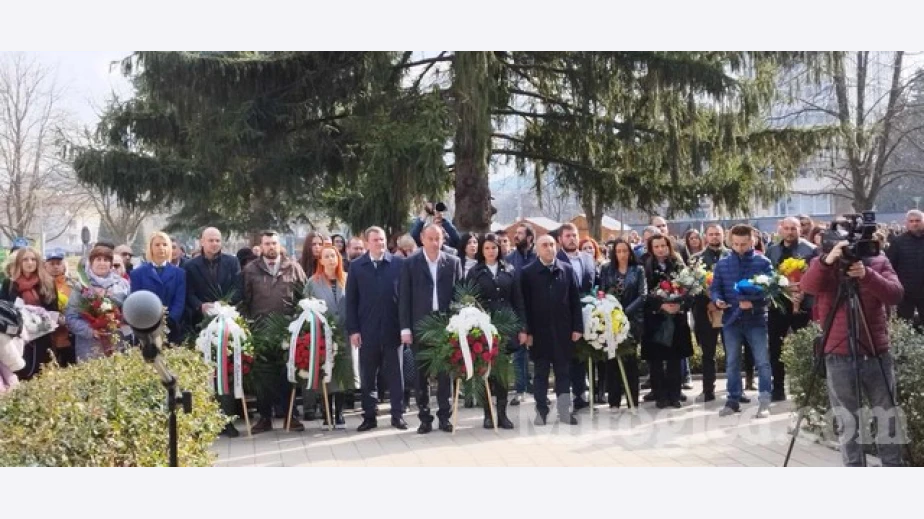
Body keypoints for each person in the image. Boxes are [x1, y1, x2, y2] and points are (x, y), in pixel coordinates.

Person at [801, 239, 905, 467]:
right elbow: (807, 287)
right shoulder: (825, 263)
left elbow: (895, 294)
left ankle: (892, 468)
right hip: (838, 353)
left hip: (876, 353)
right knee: (847, 420)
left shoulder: (878, 261)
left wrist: (867, 275)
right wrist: (826, 262)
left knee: (887, 416)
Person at [399, 223, 464, 434]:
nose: (435, 243)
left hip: (446, 325)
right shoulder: (410, 263)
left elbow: (460, 295)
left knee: (445, 374)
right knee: (421, 374)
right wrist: (405, 328)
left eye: (438, 239)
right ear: (422, 239)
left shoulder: (453, 262)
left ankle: (445, 416)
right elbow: (404, 298)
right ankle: (424, 418)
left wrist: (459, 324)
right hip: (421, 325)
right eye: (431, 239)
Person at [242, 231, 309, 434]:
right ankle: (264, 418)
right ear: (261, 246)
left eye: (274, 243)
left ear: (279, 245)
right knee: (264, 376)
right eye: (267, 243)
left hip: (287, 331)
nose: (271, 247)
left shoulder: (293, 267)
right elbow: (244, 299)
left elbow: (304, 297)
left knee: (288, 375)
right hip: (260, 331)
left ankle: (290, 416)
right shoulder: (250, 270)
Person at [183, 227, 243, 437]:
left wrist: (224, 305)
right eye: (210, 240)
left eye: (218, 240)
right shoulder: (190, 266)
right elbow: (188, 293)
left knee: (227, 371)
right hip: (202, 325)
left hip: (228, 322)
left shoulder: (232, 262)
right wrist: (200, 306)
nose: (214, 244)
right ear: (202, 242)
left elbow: (238, 288)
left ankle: (228, 419)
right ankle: (207, 421)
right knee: (206, 373)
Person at [346, 226, 406, 431]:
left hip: (392, 328)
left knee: (395, 375)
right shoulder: (357, 267)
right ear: (366, 243)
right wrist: (353, 330)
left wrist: (404, 328)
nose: (380, 243)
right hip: (367, 330)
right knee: (368, 376)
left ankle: (397, 415)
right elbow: (351, 301)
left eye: (382, 239)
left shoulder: (398, 264)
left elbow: (404, 298)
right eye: (375, 240)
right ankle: (369, 416)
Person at [711, 225, 774, 418]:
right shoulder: (723, 264)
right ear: (730, 242)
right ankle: (733, 400)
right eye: (736, 244)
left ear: (752, 241)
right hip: (731, 319)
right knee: (732, 362)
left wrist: (753, 303)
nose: (739, 248)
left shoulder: (763, 262)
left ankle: (764, 401)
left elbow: (772, 292)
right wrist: (718, 300)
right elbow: (716, 288)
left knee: (762, 362)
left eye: (744, 244)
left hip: (756, 319)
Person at [466, 233, 526, 429]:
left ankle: (502, 414)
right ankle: (488, 414)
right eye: (487, 248)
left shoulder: (509, 270)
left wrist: (522, 328)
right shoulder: (474, 272)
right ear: (482, 251)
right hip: (483, 327)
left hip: (505, 327)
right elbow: (469, 301)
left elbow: (518, 300)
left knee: (501, 372)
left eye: (494, 247)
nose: (491, 251)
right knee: (486, 372)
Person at [521, 235, 583, 425]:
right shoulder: (527, 272)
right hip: (539, 333)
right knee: (540, 374)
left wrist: (577, 327)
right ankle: (541, 411)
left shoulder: (566, 269)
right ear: (537, 249)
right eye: (544, 245)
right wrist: (526, 331)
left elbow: (575, 300)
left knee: (563, 373)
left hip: (563, 331)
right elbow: (524, 305)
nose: (549, 248)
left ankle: (564, 412)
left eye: (551, 245)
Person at [766, 216, 818, 401]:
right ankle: (778, 388)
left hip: (803, 305)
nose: (789, 232)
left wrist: (803, 291)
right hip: (778, 305)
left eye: (793, 228)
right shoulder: (772, 250)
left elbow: (816, 275)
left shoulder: (811, 250)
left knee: (806, 347)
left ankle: (806, 388)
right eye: (786, 228)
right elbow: (768, 275)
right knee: (775, 348)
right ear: (781, 229)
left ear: (800, 230)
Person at [641, 235, 693, 408]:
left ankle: (675, 395)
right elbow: (643, 294)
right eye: (656, 246)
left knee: (674, 359)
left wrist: (679, 305)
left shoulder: (678, 264)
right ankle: (660, 396)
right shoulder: (645, 266)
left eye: (663, 245)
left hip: (676, 318)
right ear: (651, 248)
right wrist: (661, 305)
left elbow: (690, 290)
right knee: (656, 360)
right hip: (655, 319)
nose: (660, 249)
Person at [599, 238, 646, 409]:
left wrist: (624, 312)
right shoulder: (606, 269)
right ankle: (614, 401)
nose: (622, 254)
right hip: (611, 320)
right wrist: (611, 312)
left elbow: (643, 295)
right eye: (618, 251)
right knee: (612, 360)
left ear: (630, 252)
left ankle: (632, 400)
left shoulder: (638, 270)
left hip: (632, 320)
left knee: (630, 361)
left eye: (625, 251)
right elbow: (602, 292)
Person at [307, 246, 350, 429]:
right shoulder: (313, 282)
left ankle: (339, 413)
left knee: (342, 373)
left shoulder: (347, 279)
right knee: (326, 373)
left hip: (344, 333)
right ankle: (326, 413)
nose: (331, 259)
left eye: (334, 255)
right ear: (321, 261)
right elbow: (306, 307)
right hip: (323, 333)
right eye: (327, 256)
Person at [0, 247, 59, 380]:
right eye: (25, 259)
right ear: (19, 262)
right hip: (17, 337)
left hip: (42, 335)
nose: (30, 263)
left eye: (33, 259)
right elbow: (3, 310)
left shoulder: (48, 282)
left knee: (42, 373)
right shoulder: (9, 283)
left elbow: (54, 309)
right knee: (20, 373)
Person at [65, 245, 131, 362]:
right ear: (91, 263)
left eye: (106, 260)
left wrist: (119, 322)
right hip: (89, 346)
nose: (102, 263)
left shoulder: (122, 284)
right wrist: (91, 331)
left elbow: (130, 312)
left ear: (111, 264)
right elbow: (71, 317)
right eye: (98, 259)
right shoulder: (81, 286)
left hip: (117, 342)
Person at [556, 223, 597, 411]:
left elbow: (595, 283)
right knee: (567, 359)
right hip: (564, 315)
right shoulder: (556, 259)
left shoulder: (588, 258)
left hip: (587, 314)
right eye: (567, 236)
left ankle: (582, 397)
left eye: (574, 235)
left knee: (582, 357)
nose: (572, 239)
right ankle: (565, 400)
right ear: (560, 239)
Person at [688, 224, 729, 402]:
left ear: (723, 235)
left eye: (717, 234)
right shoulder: (696, 259)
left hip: (729, 311)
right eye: (711, 234)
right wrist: (709, 301)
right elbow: (691, 286)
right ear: (705, 236)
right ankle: (708, 390)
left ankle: (734, 390)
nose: (714, 237)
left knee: (732, 352)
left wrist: (721, 301)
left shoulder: (731, 255)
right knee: (708, 353)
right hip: (705, 312)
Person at [130, 232, 187, 345]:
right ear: (150, 248)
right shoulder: (137, 273)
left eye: (165, 244)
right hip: (146, 327)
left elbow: (179, 301)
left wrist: (168, 321)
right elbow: (136, 300)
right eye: (157, 245)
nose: (161, 248)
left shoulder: (179, 273)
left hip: (171, 328)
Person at [505, 222, 537, 406]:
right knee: (518, 351)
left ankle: (538, 389)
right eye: (515, 233)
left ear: (530, 238)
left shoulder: (537, 256)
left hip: (537, 309)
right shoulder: (510, 259)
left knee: (538, 352)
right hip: (517, 309)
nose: (516, 236)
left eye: (520, 233)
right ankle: (520, 389)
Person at [885, 210, 924, 331]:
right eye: (911, 221)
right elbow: (890, 266)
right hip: (905, 292)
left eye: (918, 221)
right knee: (904, 324)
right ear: (906, 223)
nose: (915, 224)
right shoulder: (898, 242)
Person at [44, 249, 79, 368]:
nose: (55, 267)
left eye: (58, 263)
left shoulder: (73, 284)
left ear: (64, 266)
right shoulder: (41, 285)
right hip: (49, 334)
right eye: (52, 264)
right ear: (45, 266)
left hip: (69, 334)